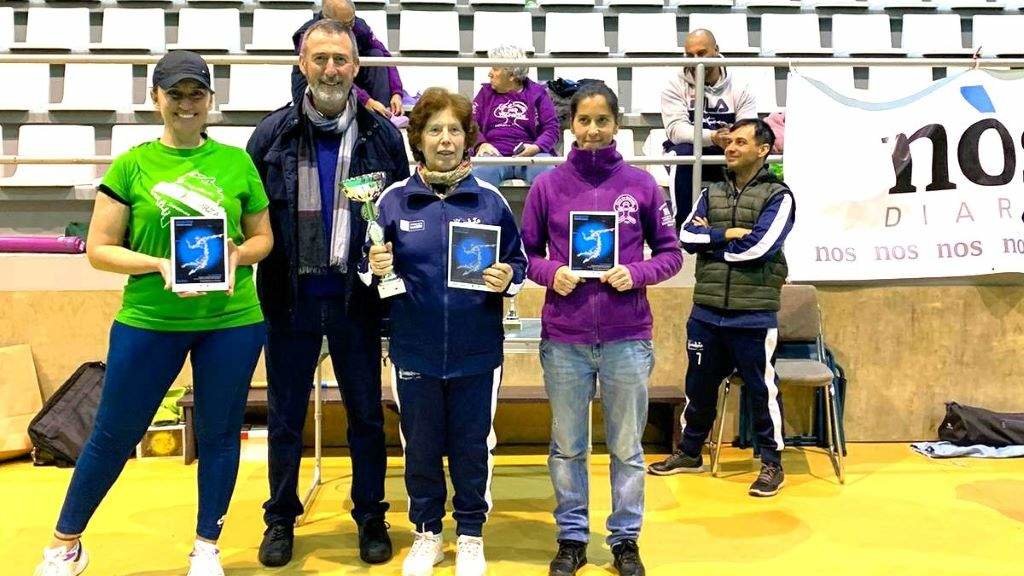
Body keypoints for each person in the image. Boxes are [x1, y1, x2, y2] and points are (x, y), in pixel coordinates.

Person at [32, 50, 273, 576]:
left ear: (211, 100)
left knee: (217, 434)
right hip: (149, 320)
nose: (186, 104)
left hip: (232, 322)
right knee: (114, 433)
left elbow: (263, 239)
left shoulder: (237, 163)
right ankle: (65, 544)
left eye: (196, 94)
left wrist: (233, 254)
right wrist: (160, 263)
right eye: (175, 94)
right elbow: (99, 249)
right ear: (155, 98)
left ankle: (207, 547)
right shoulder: (131, 164)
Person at [246, 19, 410, 568]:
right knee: (286, 417)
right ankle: (280, 519)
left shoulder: (384, 136)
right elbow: (251, 219)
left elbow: (397, 216)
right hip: (287, 300)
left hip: (356, 301)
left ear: (357, 67)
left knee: (366, 415)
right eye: (320, 59)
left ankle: (370, 517)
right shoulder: (269, 135)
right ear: (302, 65)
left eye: (340, 60)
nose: (331, 70)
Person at [521, 83, 683, 576]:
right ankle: (571, 537)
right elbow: (524, 255)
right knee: (567, 445)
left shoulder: (643, 184)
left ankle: (625, 539)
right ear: (571, 125)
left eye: (603, 121)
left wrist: (635, 273)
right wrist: (553, 273)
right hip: (565, 339)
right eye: (584, 121)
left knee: (627, 447)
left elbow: (672, 254)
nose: (593, 130)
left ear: (617, 124)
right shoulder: (546, 187)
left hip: (627, 338)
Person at [365, 87, 527, 576]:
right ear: (419, 138)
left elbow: (517, 263)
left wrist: (508, 279)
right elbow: (363, 270)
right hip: (413, 350)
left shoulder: (491, 200)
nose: (445, 139)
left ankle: (471, 534)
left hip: (478, 352)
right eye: (434, 129)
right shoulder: (391, 202)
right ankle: (428, 533)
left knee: (473, 446)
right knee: (420, 446)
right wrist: (372, 265)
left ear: (468, 139)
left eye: (454, 129)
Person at [647, 118, 795, 499]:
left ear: (763, 150)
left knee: (762, 391)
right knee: (698, 387)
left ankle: (772, 463)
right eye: (729, 141)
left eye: (740, 142)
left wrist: (710, 246)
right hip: (707, 312)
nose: (730, 147)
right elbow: (685, 235)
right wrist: (724, 235)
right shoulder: (709, 192)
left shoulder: (779, 196)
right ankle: (690, 451)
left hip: (753, 314)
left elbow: (762, 247)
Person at [661, 29, 756, 229]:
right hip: (685, 148)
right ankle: (683, 226)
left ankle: (745, 224)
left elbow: (748, 127)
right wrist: (712, 137)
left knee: (748, 153)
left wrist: (731, 140)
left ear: (717, 50)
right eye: (690, 55)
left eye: (702, 53)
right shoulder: (673, 84)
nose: (696, 61)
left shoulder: (741, 85)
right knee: (684, 156)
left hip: (726, 146)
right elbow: (676, 130)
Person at [291, 0, 405, 119]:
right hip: (315, 83)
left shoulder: (359, 26)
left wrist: (396, 92)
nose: (350, 29)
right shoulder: (307, 36)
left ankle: (385, 114)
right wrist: (366, 100)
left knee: (376, 54)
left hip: (348, 81)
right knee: (332, 70)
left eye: (352, 21)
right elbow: (330, 71)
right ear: (326, 19)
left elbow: (385, 57)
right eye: (344, 26)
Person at [471, 44, 560, 187]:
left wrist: (536, 147)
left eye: (495, 69)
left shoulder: (538, 93)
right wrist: (481, 144)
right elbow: (471, 125)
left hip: (532, 154)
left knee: (547, 175)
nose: (489, 73)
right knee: (479, 177)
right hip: (494, 154)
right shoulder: (485, 94)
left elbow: (552, 129)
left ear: (511, 75)